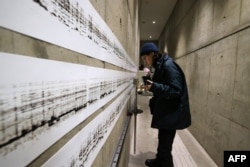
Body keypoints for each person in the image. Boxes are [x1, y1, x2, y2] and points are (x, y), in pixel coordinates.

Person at [140, 42, 191, 167]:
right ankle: (159, 161)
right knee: (163, 141)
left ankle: (165, 163)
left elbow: (176, 90)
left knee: (165, 145)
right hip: (167, 112)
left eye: (145, 58)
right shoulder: (161, 66)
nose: (145, 62)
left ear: (152, 54)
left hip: (171, 113)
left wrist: (155, 86)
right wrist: (152, 87)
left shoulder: (168, 65)